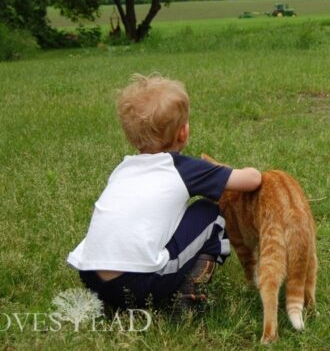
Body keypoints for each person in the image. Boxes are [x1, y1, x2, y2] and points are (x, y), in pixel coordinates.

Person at [67, 73, 261, 310]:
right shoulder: (184, 169)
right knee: (211, 212)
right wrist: (250, 170)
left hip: (91, 277)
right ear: (183, 133)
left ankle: (114, 301)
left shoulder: (122, 169)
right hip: (138, 283)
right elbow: (251, 180)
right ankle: (189, 294)